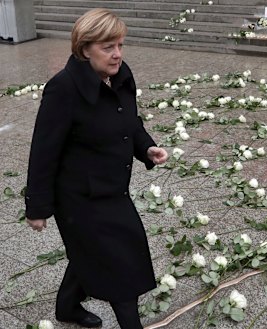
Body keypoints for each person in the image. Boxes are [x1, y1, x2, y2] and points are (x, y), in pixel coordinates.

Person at [25, 8, 168, 328]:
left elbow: (128, 121)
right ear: (84, 48)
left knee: (89, 252)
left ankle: (66, 307)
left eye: (120, 45)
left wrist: (146, 146)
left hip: (112, 188)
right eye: (108, 47)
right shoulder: (63, 88)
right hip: (79, 197)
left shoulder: (120, 75)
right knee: (119, 260)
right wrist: (37, 207)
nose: (117, 54)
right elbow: (43, 151)